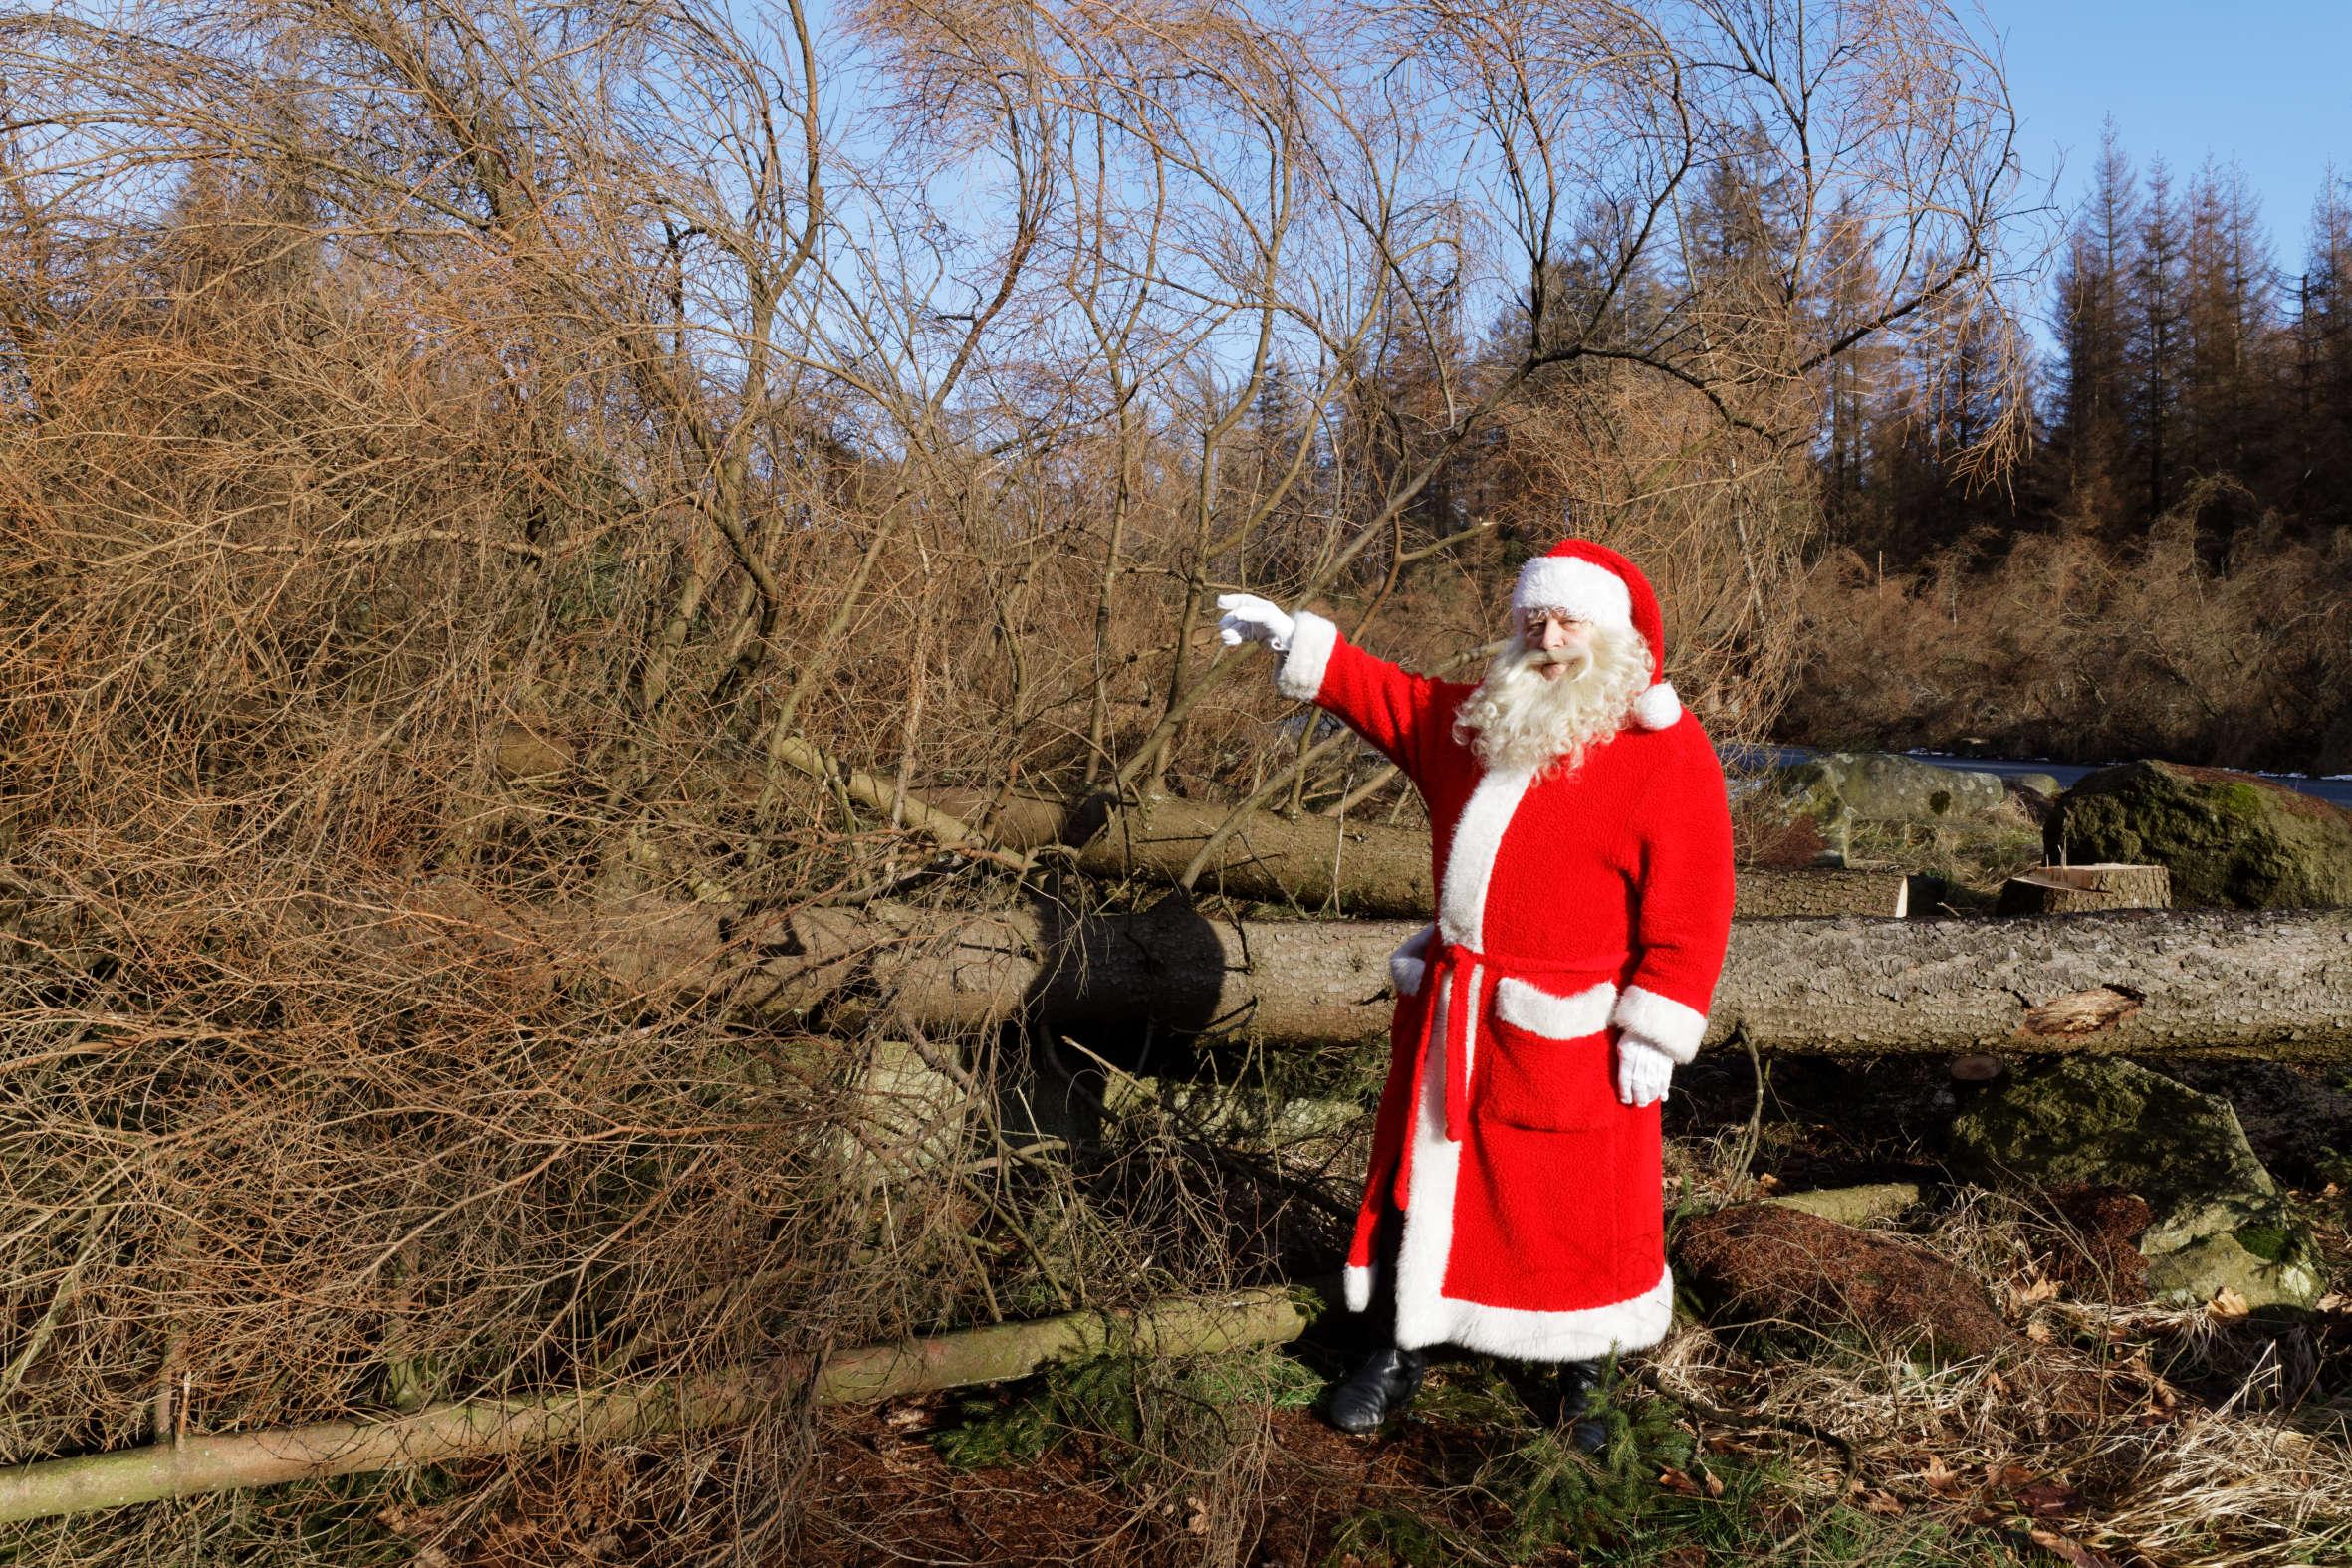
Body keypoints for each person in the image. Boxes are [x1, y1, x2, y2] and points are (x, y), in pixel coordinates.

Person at [1216, 539, 1735, 1444]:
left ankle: (1586, 1371)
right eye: (1534, 617)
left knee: (1575, 1199)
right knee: (1425, 1179)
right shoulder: (1479, 720)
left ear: (1613, 631)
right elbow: (1395, 698)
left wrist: (1658, 1020)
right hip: (1455, 1015)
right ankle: (1398, 1346)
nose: (1551, 634)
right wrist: (1297, 639)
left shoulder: (1665, 751)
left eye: (1571, 617)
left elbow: (1697, 896)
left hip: (1577, 1025)